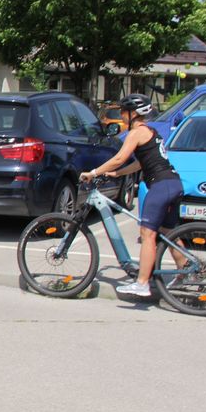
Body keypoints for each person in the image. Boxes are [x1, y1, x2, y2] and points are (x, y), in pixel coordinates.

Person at [78, 93, 183, 297]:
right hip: (173, 183)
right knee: (168, 231)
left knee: (147, 234)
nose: (121, 115)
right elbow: (139, 163)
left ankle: (142, 283)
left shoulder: (136, 133)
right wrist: (116, 174)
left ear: (133, 113)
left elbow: (119, 158)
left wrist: (93, 172)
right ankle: (185, 270)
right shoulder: (151, 132)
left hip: (160, 186)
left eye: (123, 112)